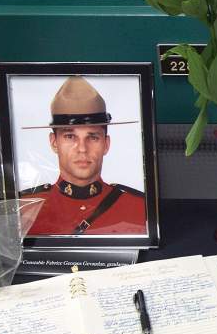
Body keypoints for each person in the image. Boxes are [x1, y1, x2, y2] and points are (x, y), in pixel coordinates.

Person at [19, 76, 147, 235]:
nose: (82, 149)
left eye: (93, 137)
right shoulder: (25, 207)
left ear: (106, 145)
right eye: (70, 136)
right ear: (54, 143)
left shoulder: (139, 206)